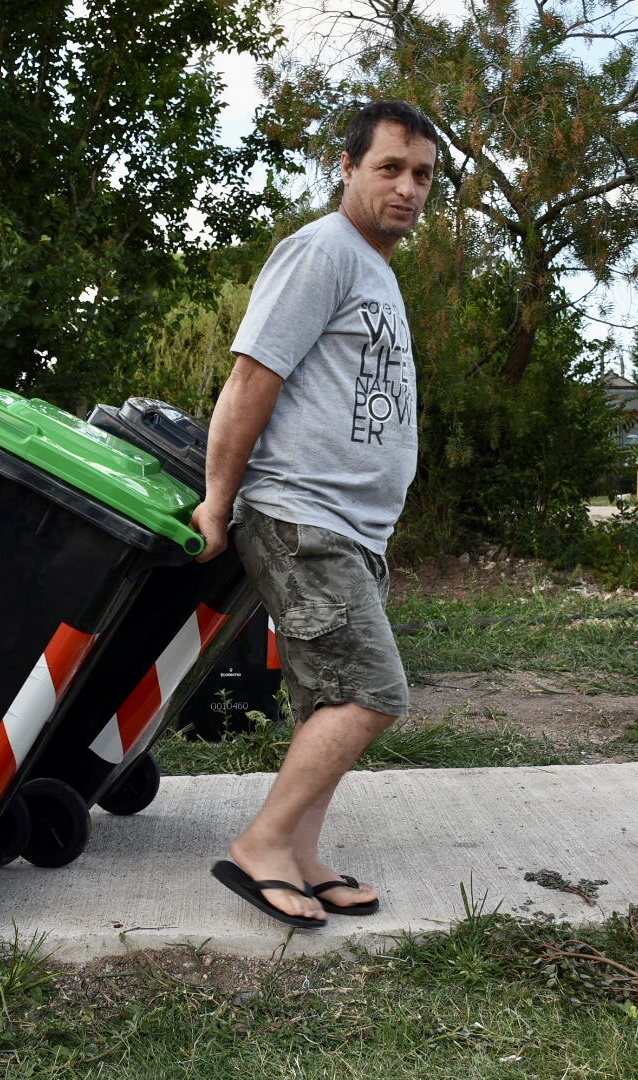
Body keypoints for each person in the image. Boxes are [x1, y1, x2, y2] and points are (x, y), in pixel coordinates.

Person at [190, 101, 438, 927]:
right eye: (390, 169)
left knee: (325, 701)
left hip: (352, 527)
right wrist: (217, 501)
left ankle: (300, 853)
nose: (407, 188)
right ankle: (261, 843)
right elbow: (250, 379)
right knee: (372, 693)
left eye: (423, 175)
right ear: (348, 168)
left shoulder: (375, 267)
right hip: (305, 515)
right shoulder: (322, 251)